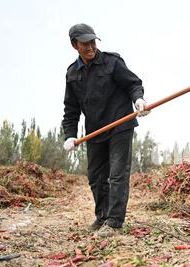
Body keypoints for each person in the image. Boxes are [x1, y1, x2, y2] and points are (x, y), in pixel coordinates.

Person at [62, 23, 150, 237]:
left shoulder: (112, 62)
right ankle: (102, 217)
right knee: (96, 177)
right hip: (95, 131)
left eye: (93, 41)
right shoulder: (72, 74)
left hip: (120, 125)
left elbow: (133, 83)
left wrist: (138, 99)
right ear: (75, 45)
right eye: (85, 43)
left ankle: (115, 223)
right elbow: (71, 109)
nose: (91, 46)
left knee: (117, 174)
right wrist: (70, 135)